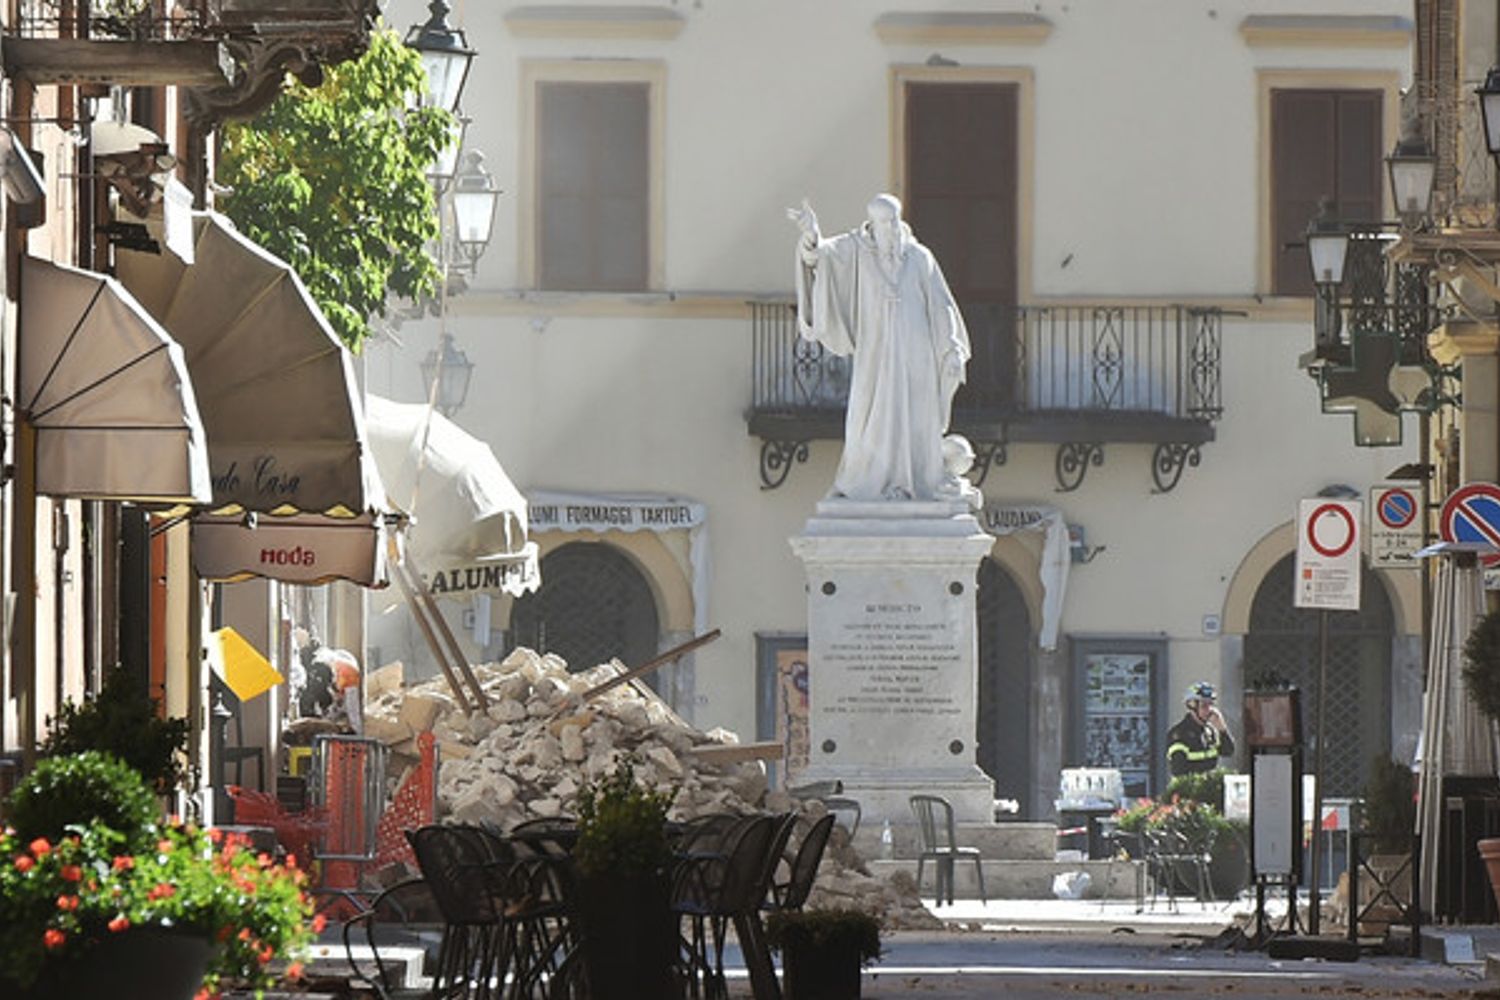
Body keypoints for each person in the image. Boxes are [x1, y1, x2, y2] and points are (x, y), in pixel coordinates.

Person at [787, 194, 971, 502]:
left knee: (916, 417)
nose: (893, 228)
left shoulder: (919, 257)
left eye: (895, 220)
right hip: (876, 353)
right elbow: (819, 255)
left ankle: (917, 482)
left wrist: (951, 348)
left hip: (918, 353)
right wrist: (810, 235)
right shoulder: (855, 250)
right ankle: (867, 481)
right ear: (872, 223)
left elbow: (941, 306)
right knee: (869, 417)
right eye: (885, 222)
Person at [1166, 681, 1235, 777]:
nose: (1209, 710)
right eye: (1204, 706)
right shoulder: (1179, 733)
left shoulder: (1210, 731)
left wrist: (1222, 728)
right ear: (1192, 706)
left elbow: (1228, 751)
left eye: (1211, 705)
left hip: (1209, 788)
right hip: (1187, 789)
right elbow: (1179, 771)